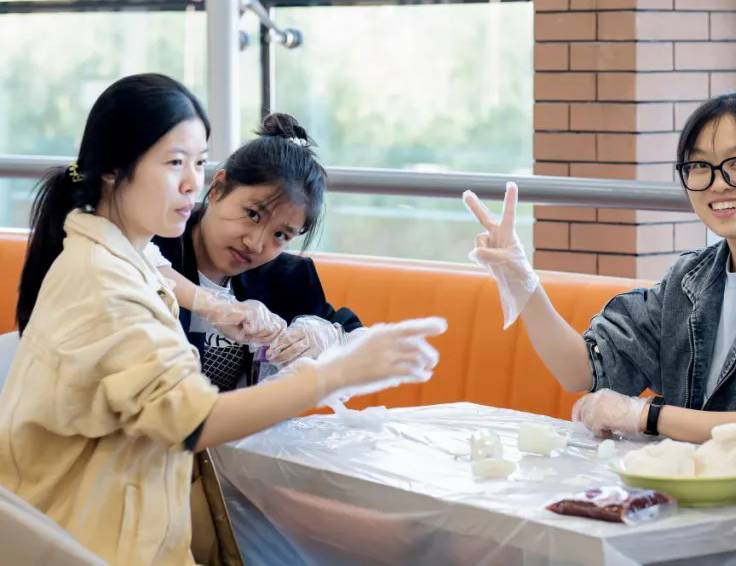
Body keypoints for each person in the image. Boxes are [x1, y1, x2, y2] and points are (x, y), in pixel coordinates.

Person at [0, 73, 444, 566]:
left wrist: (322, 339)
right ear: (114, 170)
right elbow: (191, 423)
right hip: (100, 533)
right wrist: (332, 375)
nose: (191, 181)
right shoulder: (113, 282)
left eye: (198, 161)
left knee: (392, 538)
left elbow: (340, 326)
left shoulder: (121, 261)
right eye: (175, 162)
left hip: (150, 509)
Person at [464, 90, 736, 467]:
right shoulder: (691, 279)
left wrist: (645, 416)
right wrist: (522, 282)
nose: (718, 183)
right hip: (710, 497)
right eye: (700, 166)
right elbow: (582, 371)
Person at [146, 113, 360, 392]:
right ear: (218, 188)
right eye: (253, 214)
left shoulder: (286, 277)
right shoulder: (153, 243)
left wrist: (331, 337)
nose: (256, 244)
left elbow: (363, 340)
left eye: (280, 235)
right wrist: (212, 305)